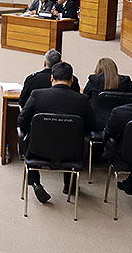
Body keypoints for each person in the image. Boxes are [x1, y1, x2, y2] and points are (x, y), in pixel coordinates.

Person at [18, 61, 93, 203]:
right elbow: (91, 127)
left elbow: (21, 121)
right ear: (71, 80)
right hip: (71, 152)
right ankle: (68, 186)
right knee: (72, 138)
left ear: (51, 78)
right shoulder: (82, 100)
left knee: (30, 139)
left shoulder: (37, 95)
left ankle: (35, 182)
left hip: (38, 149)